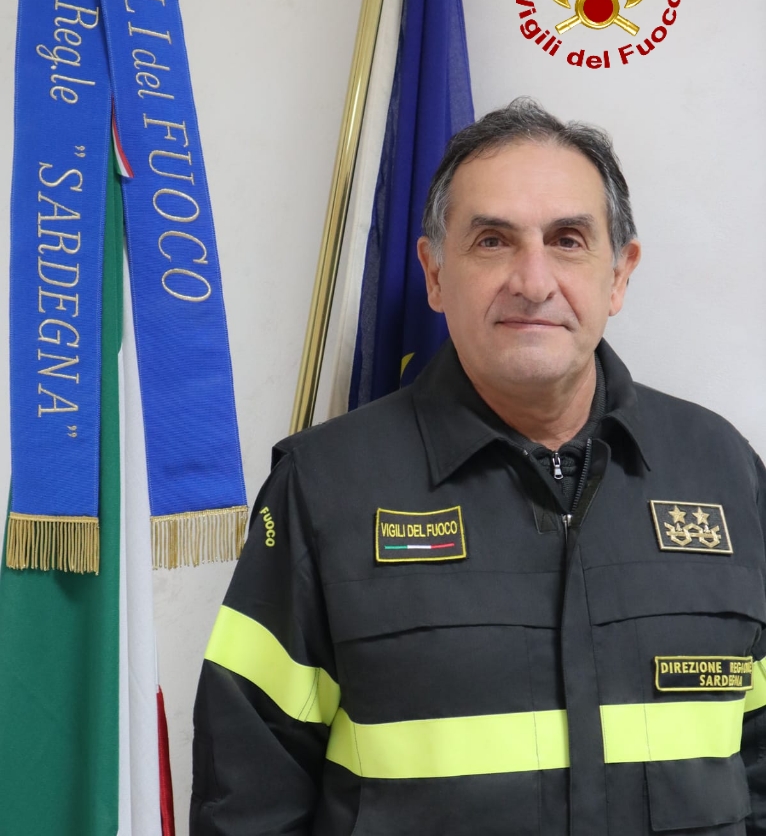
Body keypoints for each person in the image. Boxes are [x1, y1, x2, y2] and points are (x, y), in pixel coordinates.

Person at [191, 98, 766, 836]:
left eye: (567, 240)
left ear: (619, 275)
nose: (533, 280)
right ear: (435, 273)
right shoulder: (323, 487)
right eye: (493, 241)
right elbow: (248, 800)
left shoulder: (724, 471)